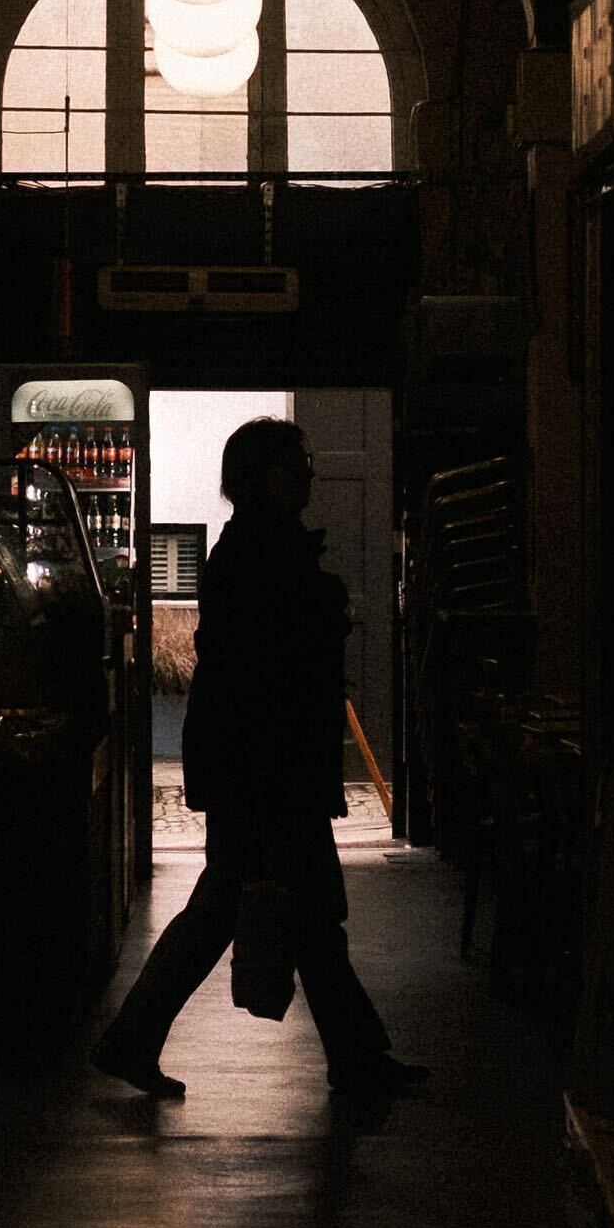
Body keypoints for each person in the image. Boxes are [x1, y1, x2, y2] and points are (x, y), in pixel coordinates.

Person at [92, 418, 425, 1101]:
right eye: (299, 461)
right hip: (267, 771)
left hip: (257, 767)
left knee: (291, 910)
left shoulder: (248, 547)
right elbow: (270, 676)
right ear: (271, 473)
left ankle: (356, 1055)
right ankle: (134, 1039)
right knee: (258, 907)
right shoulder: (264, 552)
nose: (310, 471)